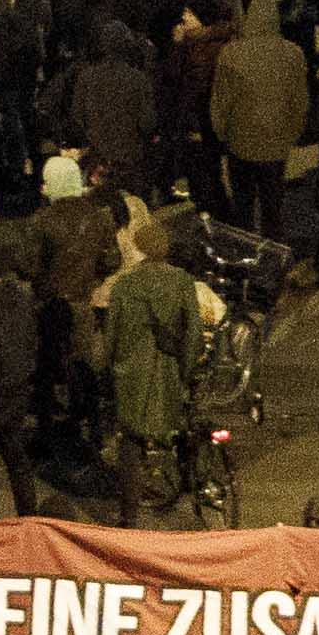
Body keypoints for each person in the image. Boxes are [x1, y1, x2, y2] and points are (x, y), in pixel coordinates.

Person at [101, 215, 206, 527]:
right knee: (179, 427)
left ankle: (129, 514)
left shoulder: (125, 285)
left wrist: (110, 369)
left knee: (130, 442)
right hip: (169, 370)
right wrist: (186, 372)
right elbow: (193, 334)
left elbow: (112, 335)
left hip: (131, 374)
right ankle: (185, 486)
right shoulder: (183, 282)